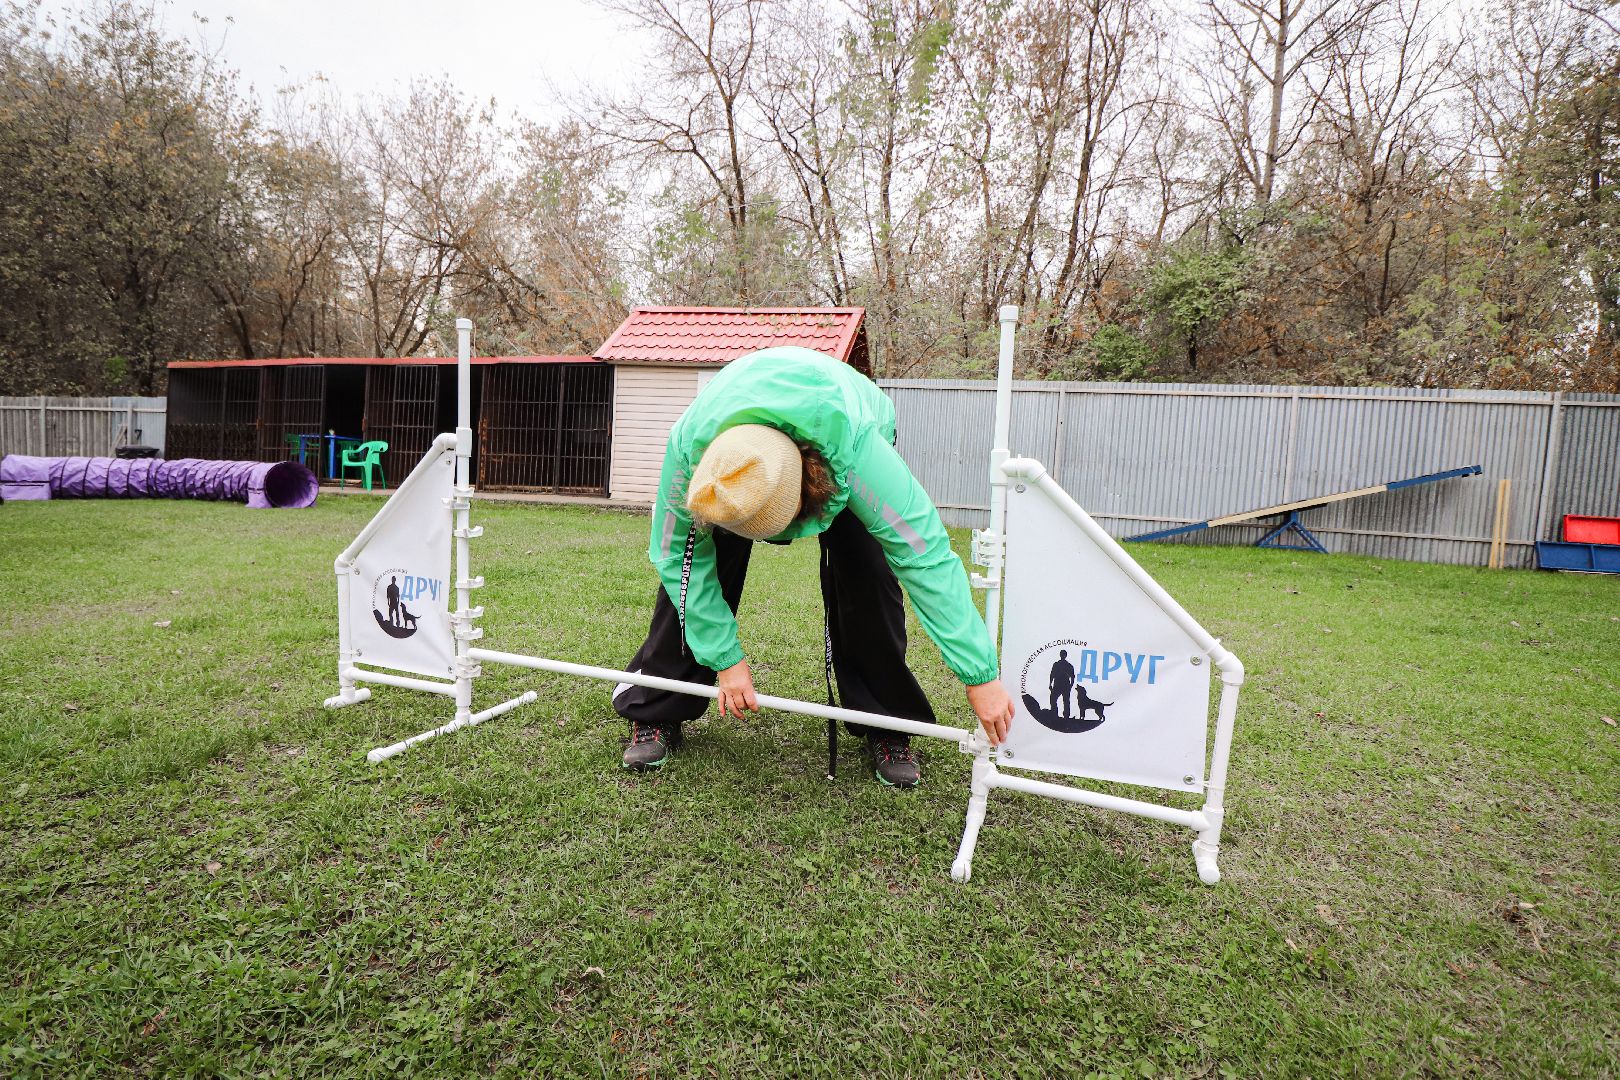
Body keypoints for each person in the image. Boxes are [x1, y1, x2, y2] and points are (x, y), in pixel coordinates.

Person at [613, 345, 1015, 787]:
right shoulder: (690, 454)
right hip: (736, 451)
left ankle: (887, 723)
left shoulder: (858, 451)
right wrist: (725, 659)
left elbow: (926, 557)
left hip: (840, 431)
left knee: (868, 573)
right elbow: (674, 557)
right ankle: (658, 706)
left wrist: (980, 675)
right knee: (690, 571)